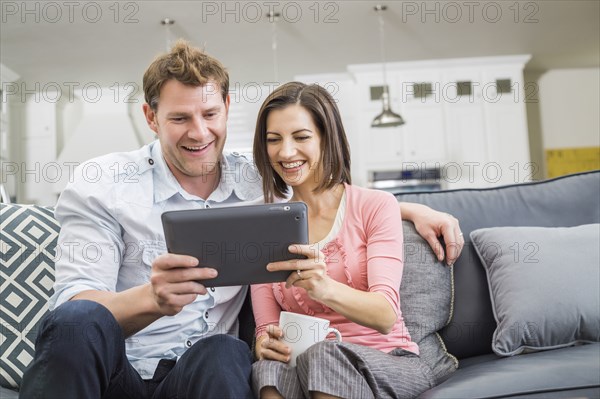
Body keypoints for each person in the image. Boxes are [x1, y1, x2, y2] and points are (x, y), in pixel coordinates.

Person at [20, 41, 463, 399]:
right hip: (122, 373)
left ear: (227, 108)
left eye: (210, 114)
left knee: (226, 350)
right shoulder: (103, 184)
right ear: (151, 117)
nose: (199, 132)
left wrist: (412, 207)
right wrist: (152, 298)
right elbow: (74, 312)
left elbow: (327, 195)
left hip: (204, 372)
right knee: (77, 319)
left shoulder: (258, 179)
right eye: (179, 118)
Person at [251, 82, 445, 399]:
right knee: (267, 369)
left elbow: (385, 316)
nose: (285, 152)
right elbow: (265, 329)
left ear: (327, 139)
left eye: (301, 137)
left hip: (389, 362)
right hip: (305, 364)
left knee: (324, 355)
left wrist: (322, 286)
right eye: (274, 140)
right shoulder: (262, 224)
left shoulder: (375, 206)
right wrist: (266, 344)